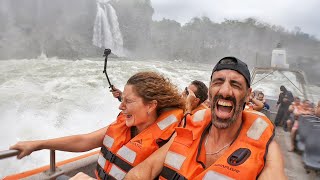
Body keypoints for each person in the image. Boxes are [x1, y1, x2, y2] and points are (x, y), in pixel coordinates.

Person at [125, 57, 286, 180]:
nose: (225, 91)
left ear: (248, 95)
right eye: (218, 82)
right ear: (210, 91)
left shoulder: (266, 146)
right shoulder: (189, 128)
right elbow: (146, 170)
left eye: (235, 85)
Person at [10, 71, 185, 180]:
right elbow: (83, 140)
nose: (120, 106)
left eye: (128, 101)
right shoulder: (124, 125)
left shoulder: (168, 141)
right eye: (121, 99)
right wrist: (37, 144)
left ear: (151, 105)